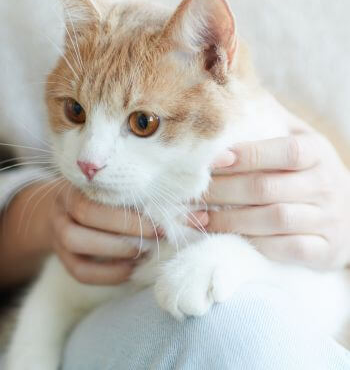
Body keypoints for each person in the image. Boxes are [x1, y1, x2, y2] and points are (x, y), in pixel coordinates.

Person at [1, 88, 350, 369]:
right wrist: (39, 214)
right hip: (71, 270)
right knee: (238, 329)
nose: (91, 158)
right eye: (77, 112)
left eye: (142, 122)